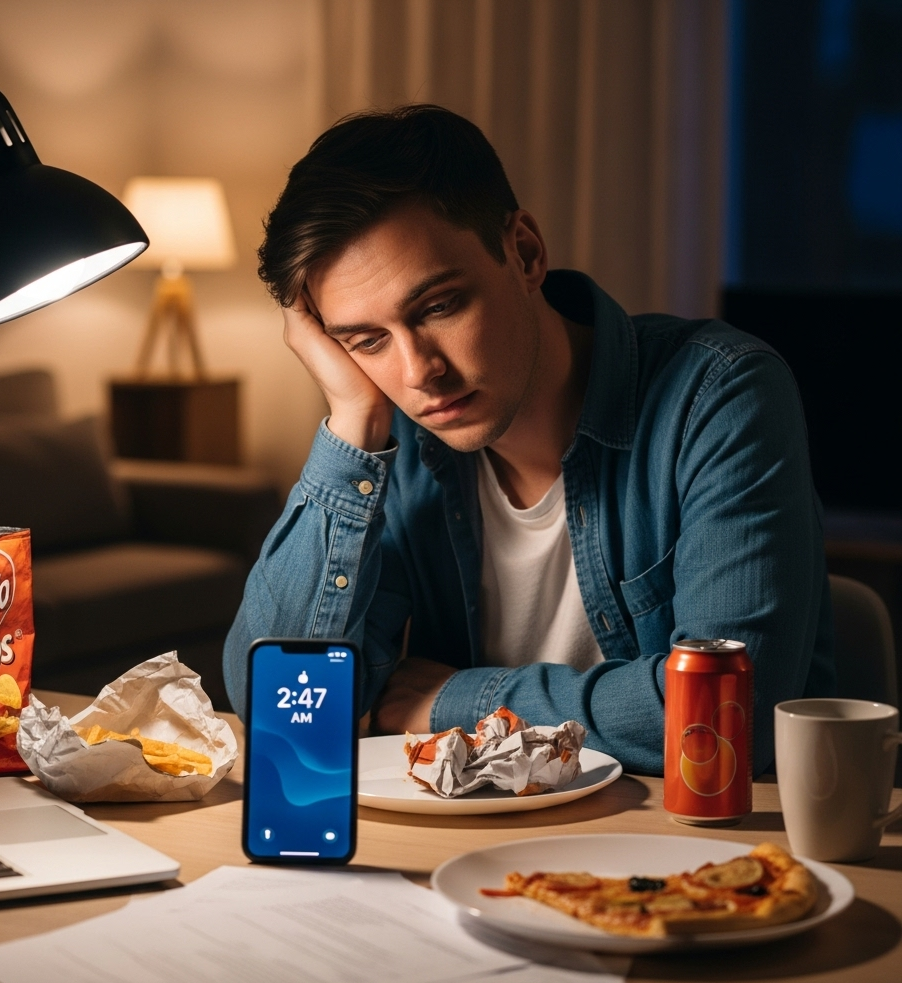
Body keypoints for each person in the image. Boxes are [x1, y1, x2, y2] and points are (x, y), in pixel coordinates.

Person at [223, 105, 834, 775]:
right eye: (366, 341)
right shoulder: (390, 439)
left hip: (684, 851)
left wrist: (450, 699)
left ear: (525, 253)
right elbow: (277, 702)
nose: (419, 371)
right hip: (468, 848)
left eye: (440, 307)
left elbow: (723, 719)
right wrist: (351, 424)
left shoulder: (717, 394)